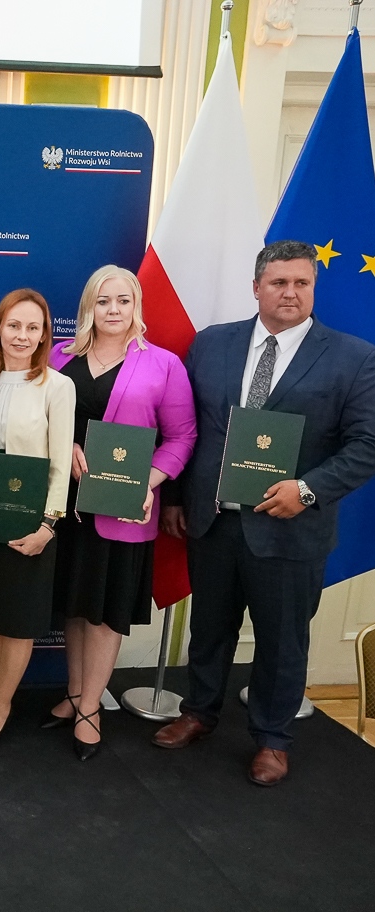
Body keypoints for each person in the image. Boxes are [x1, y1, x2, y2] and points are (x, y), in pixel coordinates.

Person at [154, 240, 375, 786]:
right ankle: (200, 711)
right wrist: (176, 498)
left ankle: (273, 739)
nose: (290, 293)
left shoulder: (354, 357)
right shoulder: (211, 344)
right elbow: (185, 427)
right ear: (256, 288)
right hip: (213, 519)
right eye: (279, 282)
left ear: (314, 288)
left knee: (282, 640)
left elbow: (367, 444)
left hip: (291, 528)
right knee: (209, 627)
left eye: (302, 283)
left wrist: (308, 490)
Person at [44, 266, 195, 760]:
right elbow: (39, 415)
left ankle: (91, 707)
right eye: (103, 300)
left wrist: (146, 482)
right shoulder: (59, 356)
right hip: (64, 507)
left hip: (123, 510)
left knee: (105, 612)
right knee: (74, 603)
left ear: (137, 307)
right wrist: (64, 445)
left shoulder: (164, 364)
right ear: (88, 306)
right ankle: (73, 693)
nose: (113, 310)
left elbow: (182, 437)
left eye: (123, 301)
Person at [0, 289, 74, 749]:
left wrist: (48, 526)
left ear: (45, 334)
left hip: (31, 522)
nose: (22, 335)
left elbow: (60, 464)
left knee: (19, 619)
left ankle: (3, 705)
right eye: (13, 326)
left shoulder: (57, 386)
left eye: (32, 327)